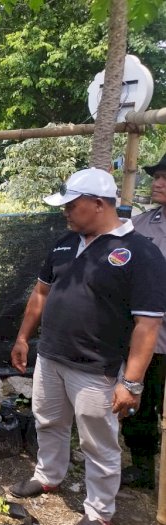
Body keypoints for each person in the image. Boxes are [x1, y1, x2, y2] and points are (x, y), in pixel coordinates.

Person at [9, 168, 166, 525]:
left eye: (72, 205)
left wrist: (131, 382)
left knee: (98, 441)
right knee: (48, 420)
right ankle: (48, 475)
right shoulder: (65, 242)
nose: (65, 212)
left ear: (98, 204)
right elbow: (41, 294)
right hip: (51, 356)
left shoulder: (141, 254)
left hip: (97, 368)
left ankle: (99, 510)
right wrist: (23, 338)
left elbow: (147, 325)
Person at [121, 153, 166, 489]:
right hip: (150, 337)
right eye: (157, 176)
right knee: (142, 403)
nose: (158, 182)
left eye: (165, 178)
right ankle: (142, 466)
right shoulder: (142, 224)